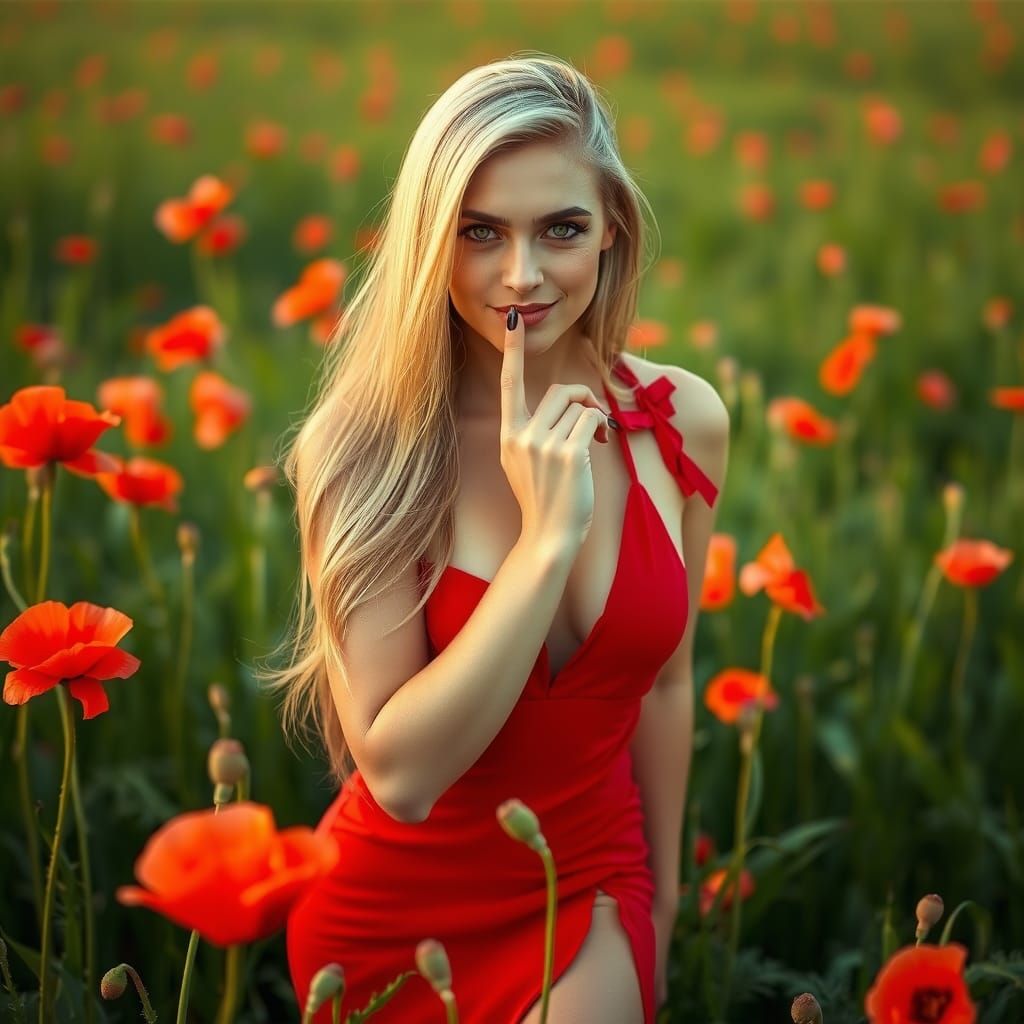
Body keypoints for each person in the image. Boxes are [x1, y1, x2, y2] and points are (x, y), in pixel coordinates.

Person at [262, 51, 729, 1024]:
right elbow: (399, 774)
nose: (521, 274)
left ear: (610, 232)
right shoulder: (363, 448)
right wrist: (543, 544)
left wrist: (667, 911)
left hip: (589, 883)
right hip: (387, 926)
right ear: (432, 241)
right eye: (480, 231)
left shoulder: (682, 420)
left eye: (559, 228)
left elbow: (670, 680)